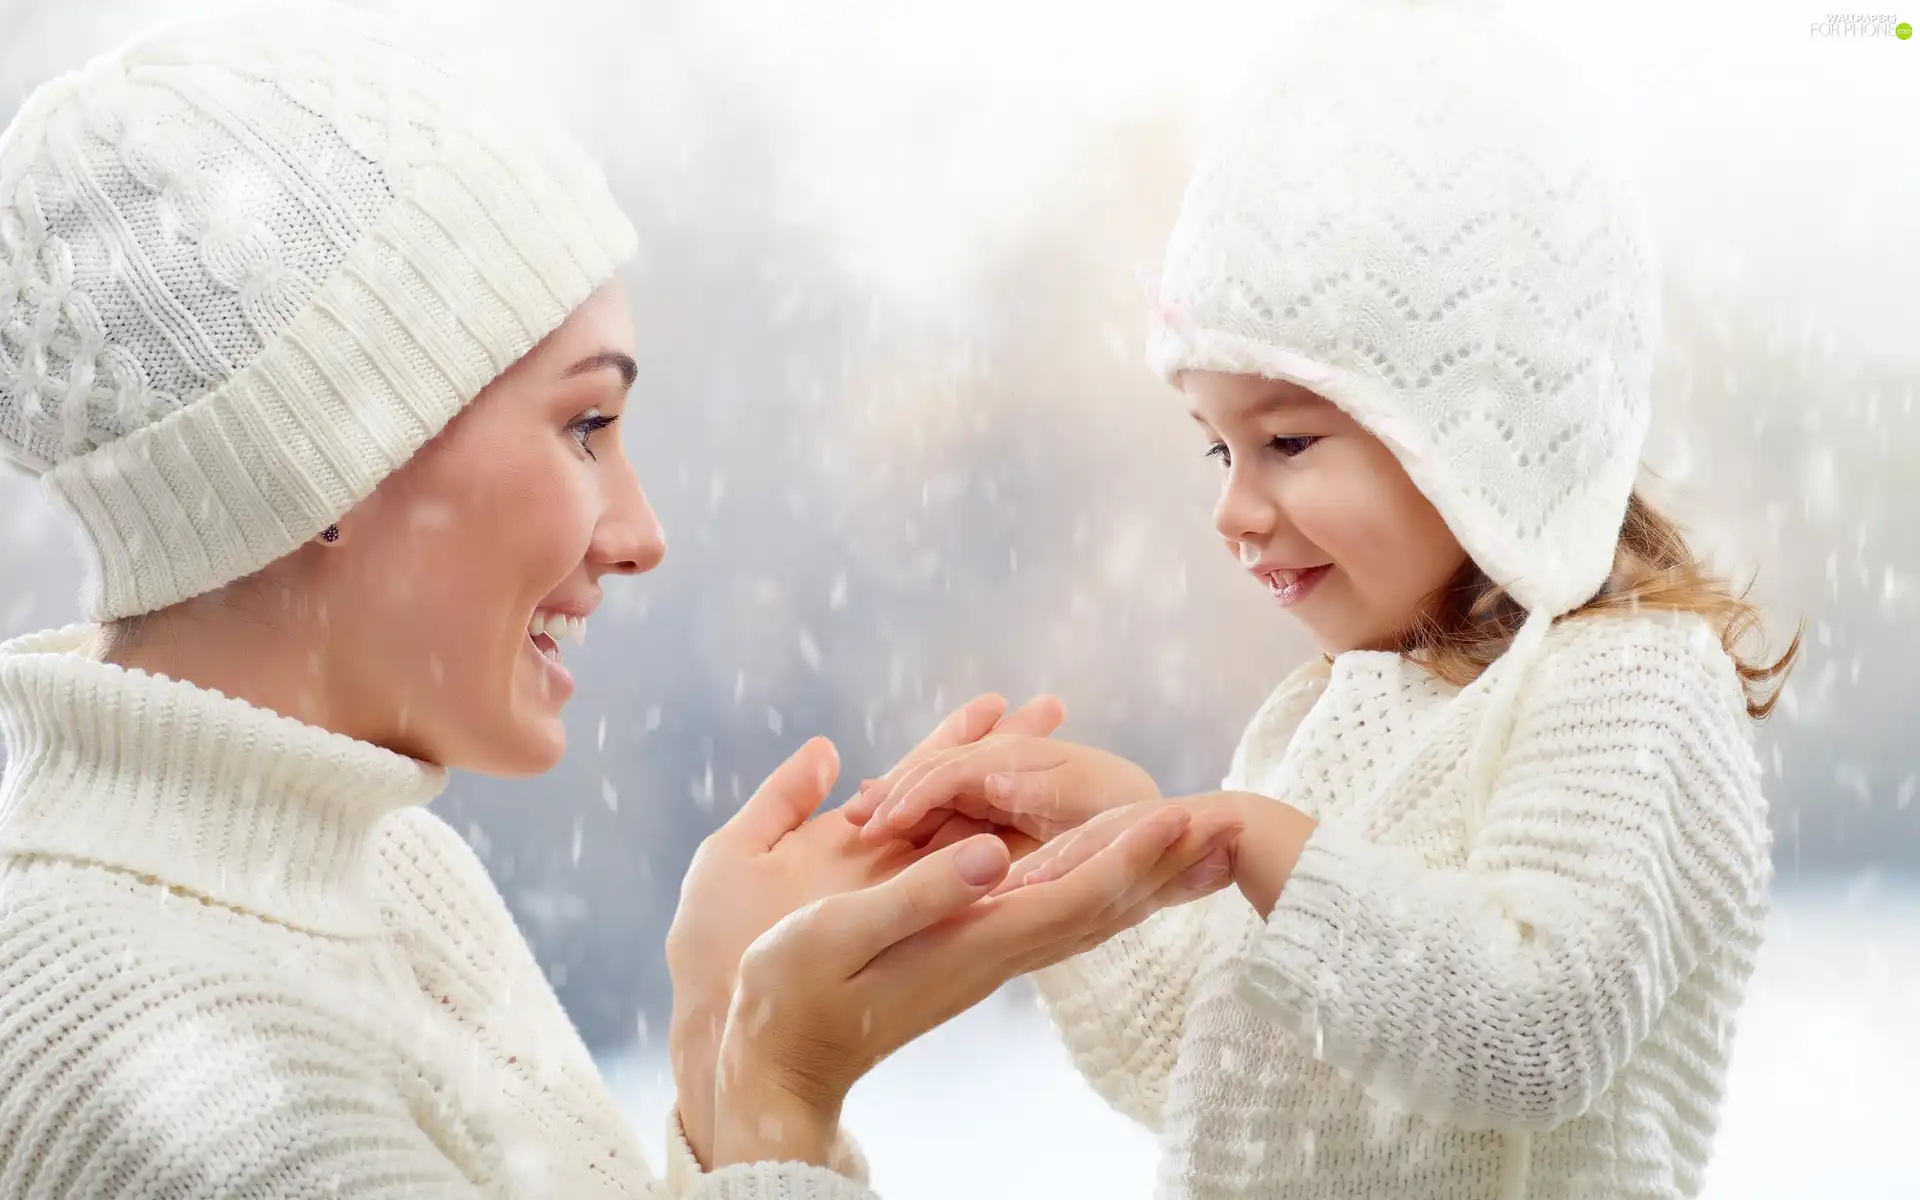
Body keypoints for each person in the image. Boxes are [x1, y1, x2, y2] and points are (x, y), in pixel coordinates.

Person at [0, 6, 1237, 1197]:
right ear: (321, 459)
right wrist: (778, 1092)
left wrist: (721, 1038)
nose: (643, 537)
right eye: (583, 425)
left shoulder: (390, 884)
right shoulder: (167, 1048)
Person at [845, 3, 1801, 1198]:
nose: (1233, 508)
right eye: (1217, 451)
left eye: (1288, 440)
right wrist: (1109, 848)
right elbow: (1215, 1075)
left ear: (1477, 433)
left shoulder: (1633, 685)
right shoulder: (1328, 716)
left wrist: (1251, 842)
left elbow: (1534, 1030)